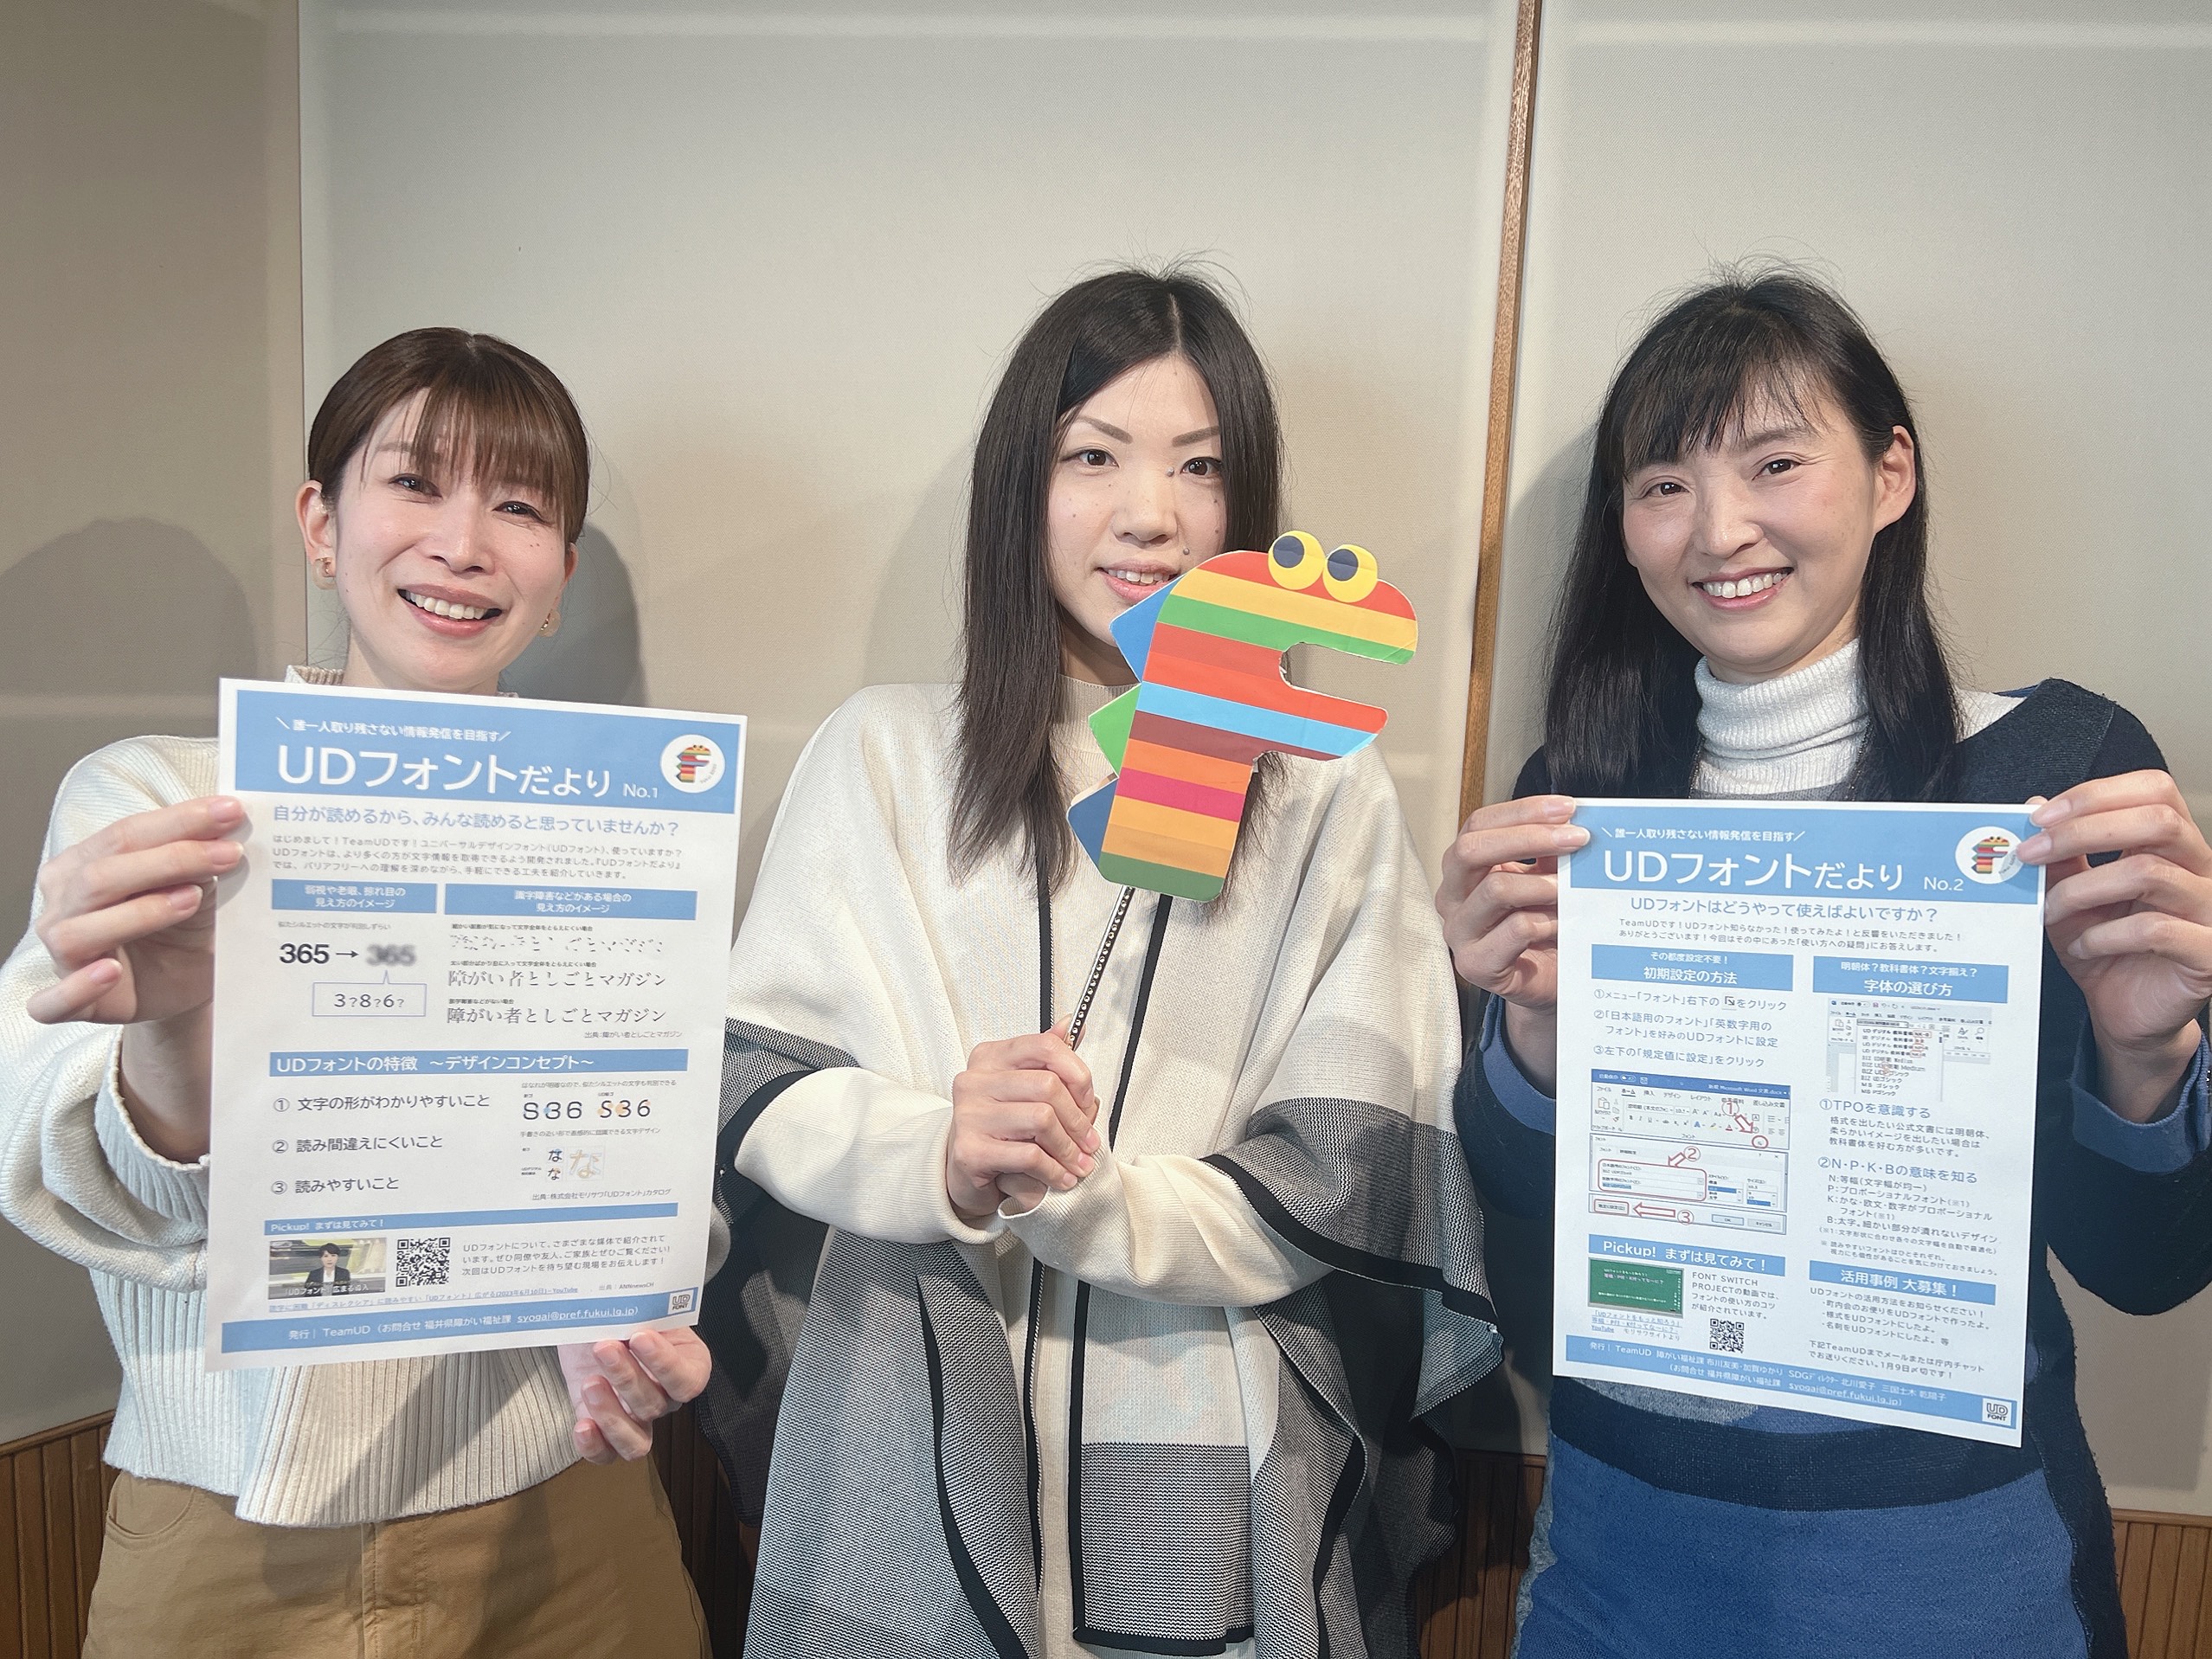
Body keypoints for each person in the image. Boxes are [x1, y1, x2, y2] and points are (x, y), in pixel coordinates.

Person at [700, 267, 1500, 1659]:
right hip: (900, 1412)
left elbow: (1353, 1160)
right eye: (1094, 456)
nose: (1151, 514)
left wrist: (1100, 1203)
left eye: (1202, 466)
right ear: (1023, 483)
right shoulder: (883, 753)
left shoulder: (1325, 788)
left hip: (1206, 1440)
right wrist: (940, 1150)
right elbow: (755, 1080)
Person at [1437, 271, 2212, 1659]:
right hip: (1625, 1557)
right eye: (1664, 484)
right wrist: (1531, 1052)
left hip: (1958, 1572)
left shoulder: (2056, 775)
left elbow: (2145, 1266)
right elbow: (1533, 1241)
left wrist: (2147, 1057)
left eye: (1775, 463)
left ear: (1890, 473)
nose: (1720, 529)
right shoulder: (1578, 804)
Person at [0, 329, 716, 1658]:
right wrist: (174, 1028)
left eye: (520, 507)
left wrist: (623, 1303)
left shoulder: (618, 837)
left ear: (558, 576)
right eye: (415, 483)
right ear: (323, 524)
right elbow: (76, 1184)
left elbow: (650, 1165)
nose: (465, 543)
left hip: (559, 1501)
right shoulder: (162, 804)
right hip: (223, 1517)